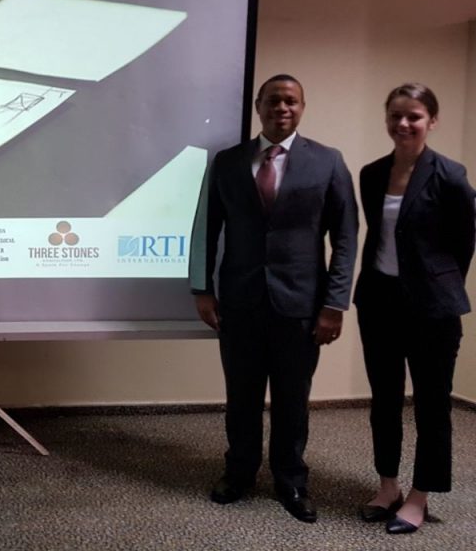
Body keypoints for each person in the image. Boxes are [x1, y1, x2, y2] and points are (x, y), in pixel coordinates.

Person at [190, 73, 358, 522]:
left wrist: (335, 304)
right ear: (259, 107)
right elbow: (205, 227)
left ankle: (291, 480)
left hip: (302, 307)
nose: (281, 108)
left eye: (291, 101)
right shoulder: (227, 162)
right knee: (241, 396)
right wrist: (201, 289)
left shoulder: (328, 162)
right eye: (273, 101)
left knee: (291, 399)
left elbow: (346, 238)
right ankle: (239, 472)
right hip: (239, 302)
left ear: (302, 107)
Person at [354, 83, 474, 534]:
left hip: (433, 311)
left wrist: (435, 285)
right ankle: (388, 487)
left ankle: (419, 497)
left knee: (431, 405)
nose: (403, 124)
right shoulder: (371, 173)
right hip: (379, 303)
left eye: (414, 116)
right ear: (387, 119)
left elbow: (464, 243)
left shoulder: (450, 175)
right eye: (396, 115)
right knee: (383, 400)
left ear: (431, 120)